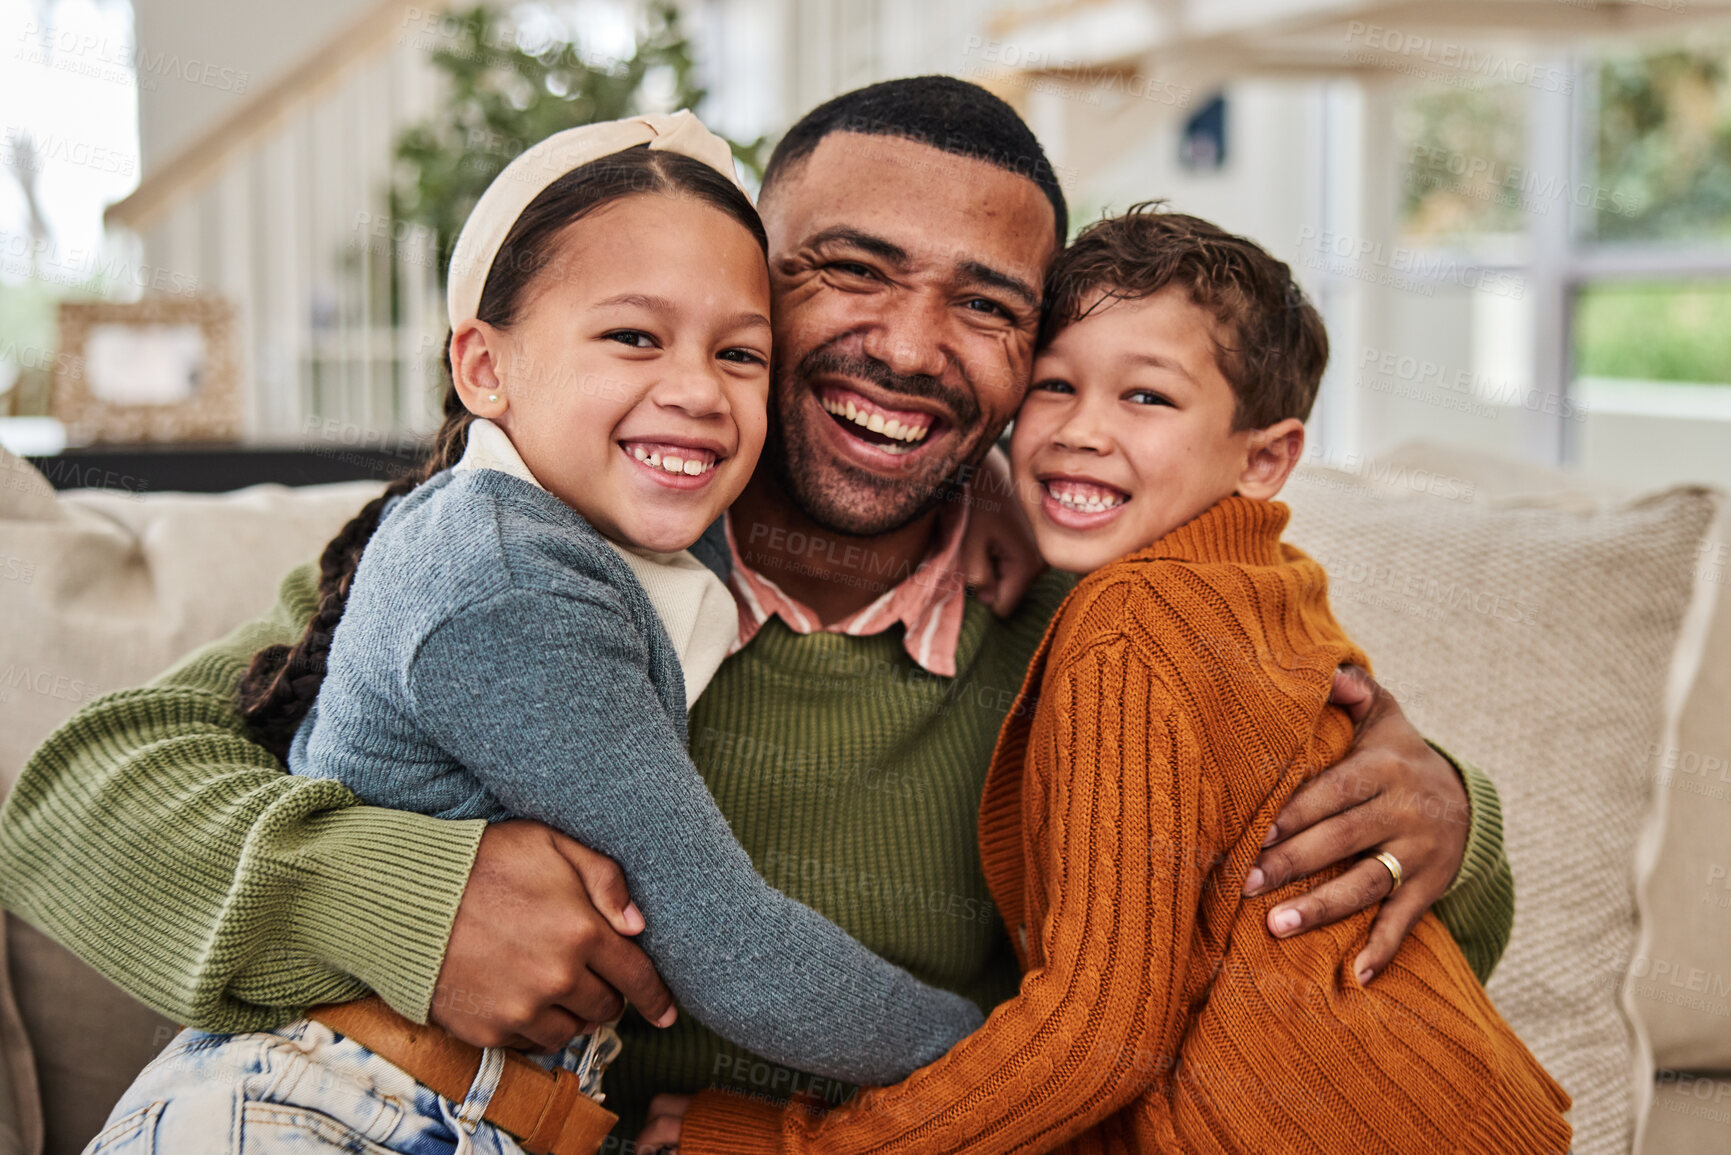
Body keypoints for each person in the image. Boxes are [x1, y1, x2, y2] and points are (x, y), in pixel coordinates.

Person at [0, 77, 1515, 1144]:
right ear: (743, 288)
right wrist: (402, 898)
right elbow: (76, 801)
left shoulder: (1095, 623)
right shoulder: (541, 552)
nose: (907, 347)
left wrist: (1445, 813)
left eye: (987, 307)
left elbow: (1358, 950)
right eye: (841, 273)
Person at [80, 111, 1002, 1154]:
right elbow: (729, 946)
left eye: (738, 351)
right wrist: (1002, 1052)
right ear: (483, 366)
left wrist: (990, 482)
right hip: (319, 1110)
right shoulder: (506, 574)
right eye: (633, 335)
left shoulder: (630, 521)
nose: (697, 389)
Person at [649, 206, 1571, 1154]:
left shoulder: (1127, 625)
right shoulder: (1266, 580)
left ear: (1265, 458)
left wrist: (790, 1146)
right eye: (1055, 386)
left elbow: (1098, 1037)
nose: (1081, 431)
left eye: (1147, 399)